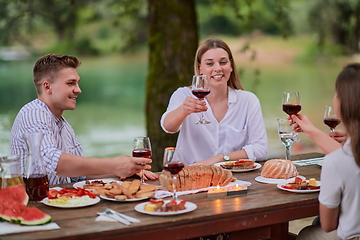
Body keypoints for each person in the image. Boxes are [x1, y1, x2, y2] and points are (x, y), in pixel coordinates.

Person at [11, 54, 158, 185]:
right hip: (33, 203)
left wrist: (122, 172)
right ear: (47, 87)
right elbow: (53, 162)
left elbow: (78, 175)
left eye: (77, 83)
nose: (78, 89)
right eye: (71, 83)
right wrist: (113, 164)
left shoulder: (64, 125)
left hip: (58, 201)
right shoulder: (34, 113)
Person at [161, 38, 268, 166]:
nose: (218, 68)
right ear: (200, 68)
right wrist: (183, 110)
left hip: (233, 179)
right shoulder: (183, 95)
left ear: (231, 66)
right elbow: (168, 127)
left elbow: (261, 150)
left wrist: (220, 158)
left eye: (223, 62)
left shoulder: (248, 101)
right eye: (210, 64)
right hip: (189, 176)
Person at [293, 63, 360, 240]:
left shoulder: (337, 161)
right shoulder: (348, 153)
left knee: (308, 233)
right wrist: (313, 131)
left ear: (342, 104)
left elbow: (329, 224)